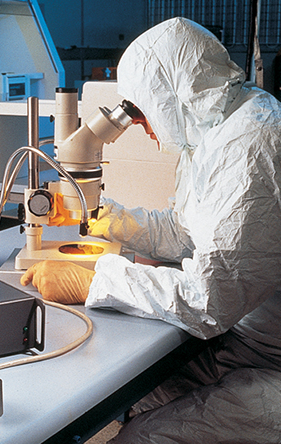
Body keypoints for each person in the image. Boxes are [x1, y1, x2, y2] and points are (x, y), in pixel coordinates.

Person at [21, 17, 281, 443]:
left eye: (142, 111)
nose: (141, 126)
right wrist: (107, 216)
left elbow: (211, 300)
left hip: (269, 364)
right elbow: (187, 233)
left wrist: (95, 279)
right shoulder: (217, 131)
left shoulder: (253, 146)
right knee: (132, 396)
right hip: (240, 343)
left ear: (175, 94)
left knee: (139, 437)